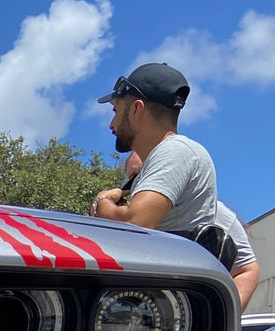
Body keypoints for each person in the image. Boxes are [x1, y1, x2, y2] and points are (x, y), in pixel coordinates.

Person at [122, 151, 259, 311]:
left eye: (150, 172)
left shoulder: (211, 210)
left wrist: (221, 319)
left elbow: (246, 269)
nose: (141, 181)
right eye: (134, 177)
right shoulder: (126, 218)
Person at [90, 63, 215, 235]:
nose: (111, 124)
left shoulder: (176, 151)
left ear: (136, 109)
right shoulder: (169, 155)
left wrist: (102, 202)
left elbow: (135, 223)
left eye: (115, 111)